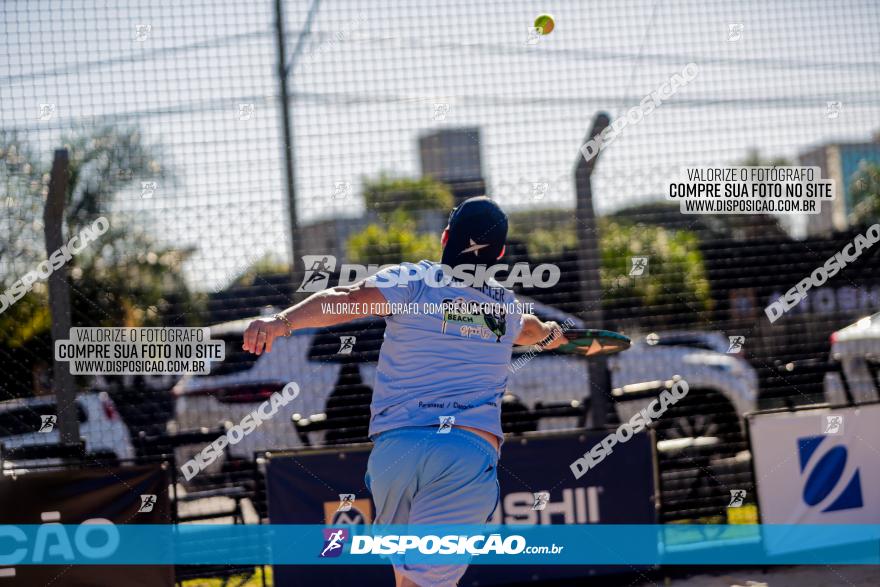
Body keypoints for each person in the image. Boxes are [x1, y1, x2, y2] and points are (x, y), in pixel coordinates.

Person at [243, 196, 566, 586]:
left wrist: (280, 322)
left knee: (407, 579)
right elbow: (534, 330)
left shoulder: (412, 282)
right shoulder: (504, 309)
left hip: (396, 455)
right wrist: (555, 335)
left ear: (446, 237)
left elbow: (346, 300)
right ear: (498, 254)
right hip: (463, 455)